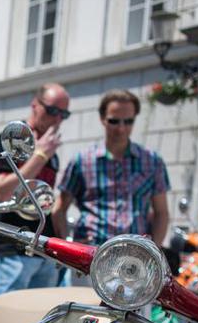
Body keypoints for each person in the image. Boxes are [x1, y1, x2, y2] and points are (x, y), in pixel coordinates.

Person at [53, 89, 170, 265]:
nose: (121, 128)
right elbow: (59, 209)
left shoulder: (152, 161)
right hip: (89, 255)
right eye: (114, 121)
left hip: (134, 258)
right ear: (103, 119)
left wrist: (152, 252)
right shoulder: (82, 161)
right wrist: (68, 248)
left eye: (128, 121)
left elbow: (161, 213)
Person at [0, 83, 70, 295]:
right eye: (52, 111)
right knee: (8, 314)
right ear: (35, 104)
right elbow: (2, 192)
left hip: (42, 250)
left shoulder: (50, 149)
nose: (57, 119)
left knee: (41, 315)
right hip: (12, 249)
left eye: (64, 114)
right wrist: (40, 156)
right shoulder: (12, 138)